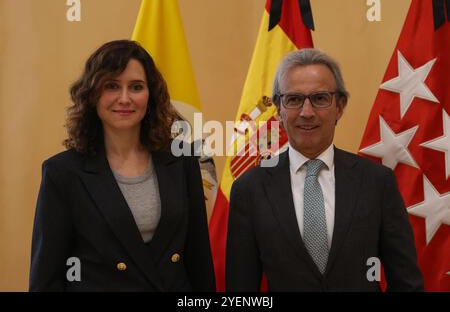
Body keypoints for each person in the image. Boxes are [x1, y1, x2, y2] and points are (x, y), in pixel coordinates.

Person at [226, 48, 423, 291]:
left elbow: (406, 282)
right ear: (279, 110)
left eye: (320, 98)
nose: (306, 112)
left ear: (339, 107)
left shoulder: (377, 182)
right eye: (294, 99)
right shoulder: (249, 190)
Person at [29, 40, 215, 291]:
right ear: (93, 95)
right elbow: (46, 277)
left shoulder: (182, 160)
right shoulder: (62, 173)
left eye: (136, 87)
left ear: (151, 96)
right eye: (112, 86)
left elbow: (198, 259)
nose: (125, 98)